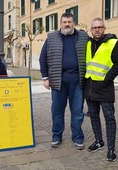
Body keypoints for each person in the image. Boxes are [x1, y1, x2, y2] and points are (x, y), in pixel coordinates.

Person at [39, 13, 89, 150]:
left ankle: (78, 137)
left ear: (74, 23)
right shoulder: (51, 37)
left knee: (77, 112)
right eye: (64, 22)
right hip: (57, 81)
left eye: (69, 22)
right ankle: (56, 136)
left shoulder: (83, 37)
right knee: (57, 111)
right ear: (60, 23)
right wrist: (45, 78)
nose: (67, 24)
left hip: (78, 82)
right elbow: (42, 59)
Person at [84, 17, 118, 162]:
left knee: (109, 119)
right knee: (94, 117)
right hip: (90, 88)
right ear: (91, 30)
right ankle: (99, 141)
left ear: (104, 28)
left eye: (100, 27)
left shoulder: (113, 43)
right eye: (94, 27)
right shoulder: (88, 43)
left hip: (104, 88)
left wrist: (106, 79)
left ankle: (111, 148)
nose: (97, 29)